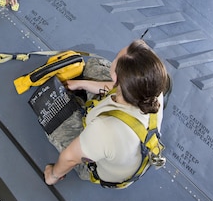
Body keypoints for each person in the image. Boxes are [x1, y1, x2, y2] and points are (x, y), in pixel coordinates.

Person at [43, 40, 170, 187]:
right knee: (95, 66)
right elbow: (116, 88)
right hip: (125, 142)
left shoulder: (104, 128)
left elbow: (69, 158)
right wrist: (81, 84)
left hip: (99, 163)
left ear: (116, 78)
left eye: (116, 59)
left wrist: (52, 175)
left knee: (51, 111)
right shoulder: (152, 89)